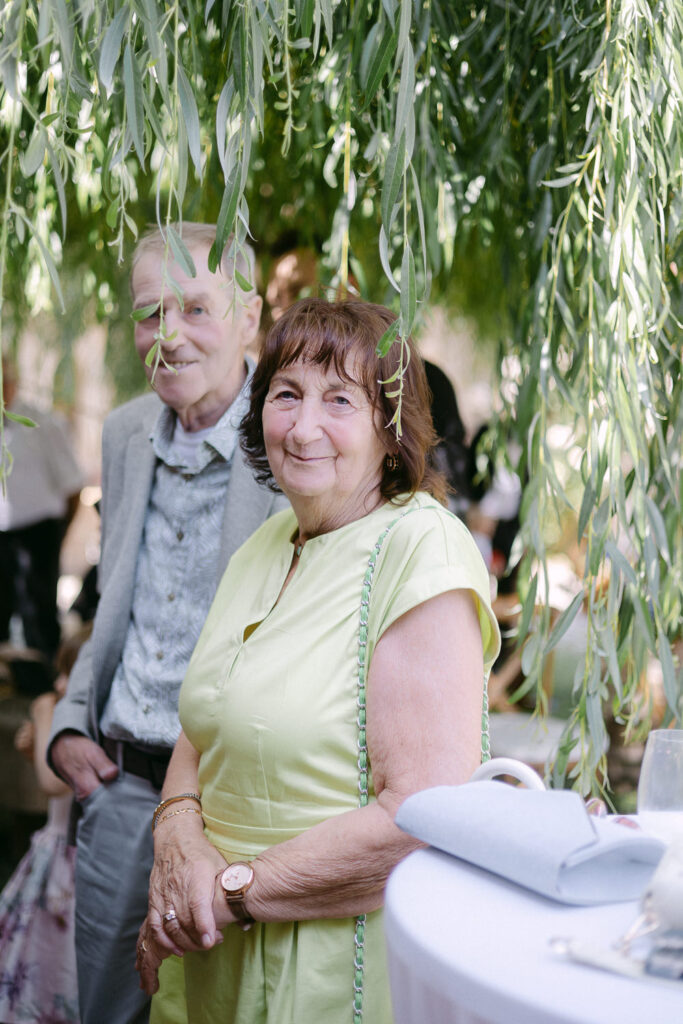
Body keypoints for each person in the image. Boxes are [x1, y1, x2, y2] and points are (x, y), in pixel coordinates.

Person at [136, 298, 501, 1023]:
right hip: (211, 949)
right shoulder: (263, 546)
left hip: (330, 962)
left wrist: (229, 892)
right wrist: (176, 844)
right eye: (286, 395)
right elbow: (202, 728)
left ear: (390, 427)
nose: (303, 428)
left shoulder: (419, 547)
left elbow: (420, 815)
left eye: (339, 400)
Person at [47, 223, 287, 1024]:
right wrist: (71, 723)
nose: (168, 335)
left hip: (235, 800)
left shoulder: (290, 436)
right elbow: (117, 594)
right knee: (109, 1011)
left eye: (195, 309)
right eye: (150, 314)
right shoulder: (123, 432)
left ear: (249, 318)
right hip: (119, 789)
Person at [0, 627, 91, 1024]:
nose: (58, 684)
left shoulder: (75, 720)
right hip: (55, 852)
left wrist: (42, 713)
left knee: (59, 956)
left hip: (70, 862)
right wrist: (35, 746)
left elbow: (53, 783)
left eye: (69, 673)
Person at [0, 357, 84, 659]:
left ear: (12, 382)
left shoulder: (42, 424)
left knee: (39, 617)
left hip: (38, 533)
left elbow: (73, 485)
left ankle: (45, 676)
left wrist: (59, 532)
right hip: (3, 537)